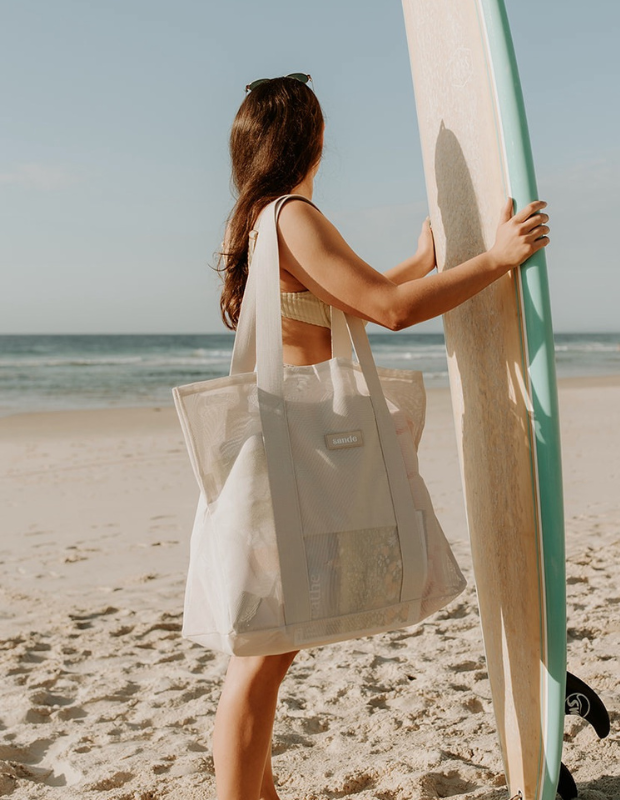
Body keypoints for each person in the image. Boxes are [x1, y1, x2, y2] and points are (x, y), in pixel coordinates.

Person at [212, 74, 550, 800]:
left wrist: (422, 266)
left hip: (271, 454)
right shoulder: (295, 213)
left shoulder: (255, 220)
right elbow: (388, 312)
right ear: (311, 135)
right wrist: (495, 260)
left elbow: (334, 311)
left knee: (271, 647)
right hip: (292, 456)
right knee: (264, 654)